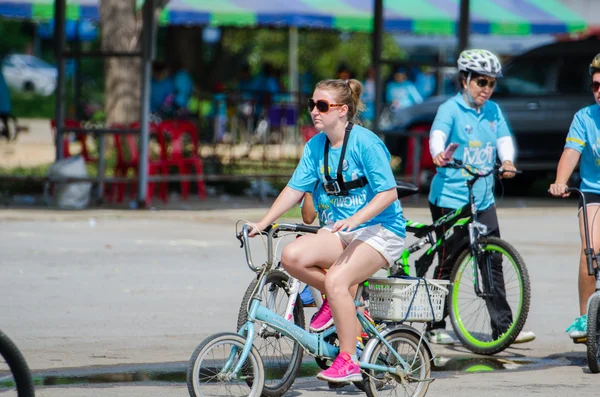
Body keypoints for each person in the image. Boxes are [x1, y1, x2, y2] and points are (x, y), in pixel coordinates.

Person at [249, 78, 405, 383]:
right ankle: (342, 304)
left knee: (335, 281)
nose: (314, 111)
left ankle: (349, 359)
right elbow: (294, 190)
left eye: (322, 105)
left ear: (342, 111)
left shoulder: (366, 142)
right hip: (344, 230)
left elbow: (388, 193)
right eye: (311, 104)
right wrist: (262, 222)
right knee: (292, 257)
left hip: (382, 229)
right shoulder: (315, 145)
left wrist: (358, 218)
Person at [427, 49, 535, 345]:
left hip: (483, 197)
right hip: (450, 197)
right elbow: (437, 134)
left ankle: (504, 329)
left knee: (492, 259)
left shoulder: (493, 111)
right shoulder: (450, 109)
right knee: (449, 260)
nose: (486, 89)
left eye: (491, 84)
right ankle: (434, 324)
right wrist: (437, 152)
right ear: (465, 80)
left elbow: (503, 140)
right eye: (481, 82)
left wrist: (508, 161)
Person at [549, 53, 600, 339]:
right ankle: (586, 320)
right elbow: (571, 152)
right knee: (589, 250)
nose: (599, 91)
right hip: (594, 193)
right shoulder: (585, 117)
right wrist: (560, 181)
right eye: (595, 85)